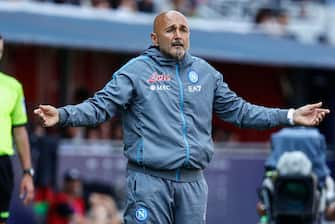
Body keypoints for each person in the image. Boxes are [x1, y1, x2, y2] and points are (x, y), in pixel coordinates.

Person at [34, 10, 330, 224]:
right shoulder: (136, 71)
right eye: (170, 29)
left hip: (192, 184)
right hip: (148, 182)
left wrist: (291, 114)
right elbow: (101, 106)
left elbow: (241, 112)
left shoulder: (206, 73)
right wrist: (62, 115)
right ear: (154, 37)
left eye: (183, 29)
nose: (178, 35)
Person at [0, 35, 34, 224]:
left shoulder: (13, 87)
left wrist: (28, 172)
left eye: (0, 52)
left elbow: (20, 131)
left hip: (2, 165)